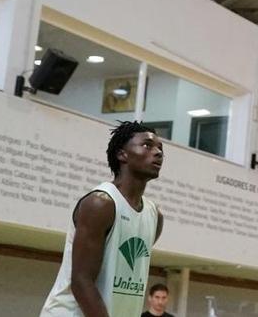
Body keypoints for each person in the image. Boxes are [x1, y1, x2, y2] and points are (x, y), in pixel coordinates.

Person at [41, 121, 166, 317]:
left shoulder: (154, 216)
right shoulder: (100, 204)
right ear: (121, 154)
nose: (158, 152)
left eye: (160, 148)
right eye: (147, 145)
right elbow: (82, 281)